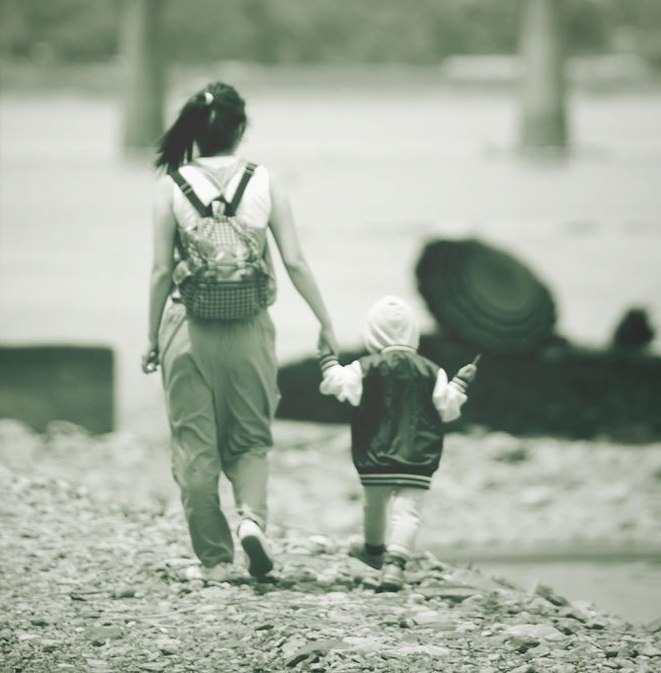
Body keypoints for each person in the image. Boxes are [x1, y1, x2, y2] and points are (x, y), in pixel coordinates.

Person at [142, 81, 339, 583]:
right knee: (250, 440)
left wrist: (149, 337)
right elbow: (294, 260)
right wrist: (324, 321)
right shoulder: (265, 182)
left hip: (188, 327)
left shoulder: (172, 186)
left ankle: (216, 561)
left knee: (194, 445)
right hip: (250, 328)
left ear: (194, 131)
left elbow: (161, 273)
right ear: (241, 130)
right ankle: (251, 519)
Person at [318, 295, 478, 591]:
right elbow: (448, 408)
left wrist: (327, 359)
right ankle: (396, 564)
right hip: (418, 457)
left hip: (375, 455)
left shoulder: (365, 367)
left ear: (372, 334)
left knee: (374, 506)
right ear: (413, 333)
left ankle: (374, 551)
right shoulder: (432, 370)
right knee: (408, 513)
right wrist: (460, 382)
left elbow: (337, 384)